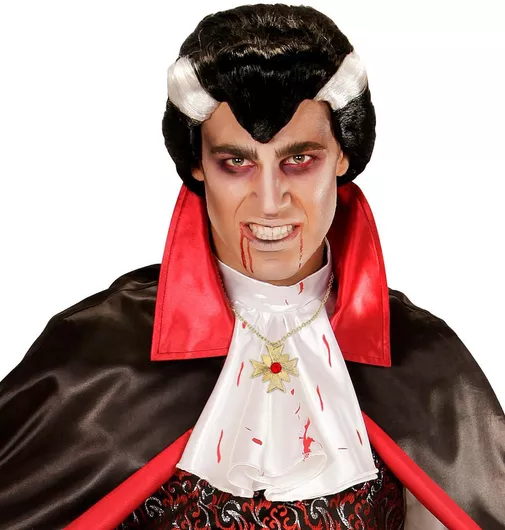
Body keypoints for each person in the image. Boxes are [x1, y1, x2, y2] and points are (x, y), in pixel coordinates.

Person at [1, 4, 504, 530]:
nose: (269, 201)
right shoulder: (96, 358)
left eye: (299, 159)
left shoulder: (422, 360)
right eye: (236, 161)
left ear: (342, 157)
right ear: (198, 165)